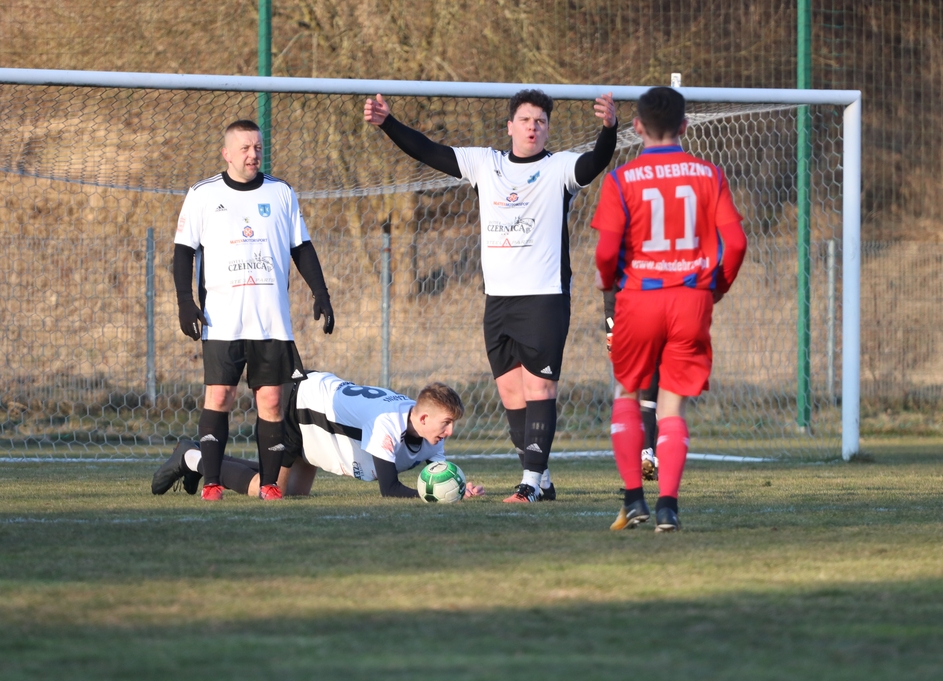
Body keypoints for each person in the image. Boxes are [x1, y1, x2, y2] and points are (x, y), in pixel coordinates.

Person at [364, 89, 618, 503]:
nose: (533, 127)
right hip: (497, 300)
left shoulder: (559, 168)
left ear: (547, 129)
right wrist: (388, 123)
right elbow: (430, 151)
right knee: (512, 395)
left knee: (539, 390)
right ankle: (543, 480)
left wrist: (608, 129)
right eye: (526, 120)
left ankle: (529, 484)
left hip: (544, 298)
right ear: (510, 126)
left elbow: (596, 161)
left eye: (540, 121)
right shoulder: (487, 163)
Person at [591, 87, 747, 532]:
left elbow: (606, 253)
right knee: (672, 406)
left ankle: (634, 499)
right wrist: (716, 288)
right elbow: (736, 244)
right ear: (684, 126)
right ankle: (668, 507)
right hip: (690, 299)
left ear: (637, 126)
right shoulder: (709, 174)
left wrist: (609, 282)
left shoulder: (621, 179)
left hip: (639, 298)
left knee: (627, 393)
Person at [173, 119, 335, 502]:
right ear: (226, 154)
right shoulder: (202, 194)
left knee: (272, 401)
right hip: (222, 320)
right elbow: (183, 251)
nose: (253, 154)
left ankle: (269, 485)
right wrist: (185, 302)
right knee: (220, 396)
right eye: (245, 148)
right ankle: (212, 483)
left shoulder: (281, 192)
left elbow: (301, 246)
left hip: (271, 320)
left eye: (258, 147)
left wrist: (321, 293)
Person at [152, 371, 485, 499]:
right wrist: (434, 497)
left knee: (294, 492)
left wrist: (458, 487)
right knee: (271, 492)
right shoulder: (388, 423)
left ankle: (202, 456)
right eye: (446, 423)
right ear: (423, 417)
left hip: (322, 422)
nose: (450, 432)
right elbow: (390, 489)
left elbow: (437, 472)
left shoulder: (428, 432)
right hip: (301, 404)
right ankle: (191, 458)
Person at [603, 290, 660, 481]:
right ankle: (649, 453)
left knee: (631, 391)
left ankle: (642, 457)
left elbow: (607, 283)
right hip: (662, 311)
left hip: (632, 317)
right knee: (660, 393)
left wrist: (610, 327)